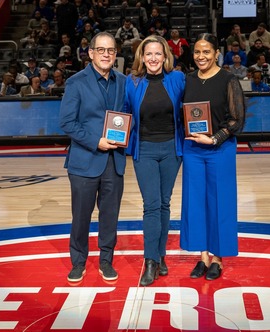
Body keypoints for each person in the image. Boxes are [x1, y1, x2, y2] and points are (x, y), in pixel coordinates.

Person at [58, 32, 127, 283]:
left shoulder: (123, 81)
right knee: (81, 216)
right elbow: (66, 122)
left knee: (110, 215)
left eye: (110, 50)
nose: (106, 54)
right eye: (101, 50)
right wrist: (95, 141)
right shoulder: (76, 82)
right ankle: (78, 262)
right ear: (91, 53)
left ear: (115, 54)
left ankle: (106, 260)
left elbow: (127, 116)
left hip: (114, 160)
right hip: (85, 159)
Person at [180, 33, 246, 281]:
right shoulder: (188, 80)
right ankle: (203, 257)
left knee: (220, 203)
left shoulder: (228, 80)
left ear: (217, 53)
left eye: (206, 51)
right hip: (193, 150)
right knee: (195, 204)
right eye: (197, 52)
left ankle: (217, 259)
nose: (201, 56)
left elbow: (236, 118)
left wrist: (215, 138)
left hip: (220, 148)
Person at [123, 35, 185, 286]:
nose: (153, 58)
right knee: (151, 204)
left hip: (172, 148)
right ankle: (150, 260)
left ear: (165, 56)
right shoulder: (132, 81)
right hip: (145, 149)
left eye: (158, 54)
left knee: (165, 204)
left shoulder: (177, 79)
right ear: (142, 57)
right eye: (148, 54)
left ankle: (161, 255)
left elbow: (191, 106)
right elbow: (124, 113)